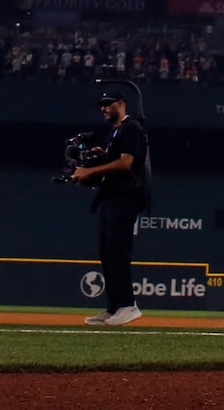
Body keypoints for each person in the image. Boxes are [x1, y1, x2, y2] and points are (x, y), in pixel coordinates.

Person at [71, 80, 149, 327]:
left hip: (124, 197)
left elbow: (126, 163)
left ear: (121, 104)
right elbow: (117, 159)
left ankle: (128, 305)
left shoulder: (132, 128)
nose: (104, 108)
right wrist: (102, 156)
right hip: (111, 196)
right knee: (108, 253)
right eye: (101, 105)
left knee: (118, 251)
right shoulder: (116, 132)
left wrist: (90, 171)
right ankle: (114, 307)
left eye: (108, 104)